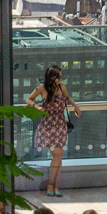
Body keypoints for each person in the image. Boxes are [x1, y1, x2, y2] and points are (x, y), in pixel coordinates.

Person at [28, 65, 80, 197]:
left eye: (60, 77)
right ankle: (51, 184)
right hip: (48, 125)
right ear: (51, 76)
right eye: (57, 77)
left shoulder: (61, 87)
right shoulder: (41, 88)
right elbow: (29, 99)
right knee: (57, 155)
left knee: (59, 155)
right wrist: (37, 107)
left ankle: (55, 185)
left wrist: (75, 105)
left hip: (60, 124)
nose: (59, 79)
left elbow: (67, 98)